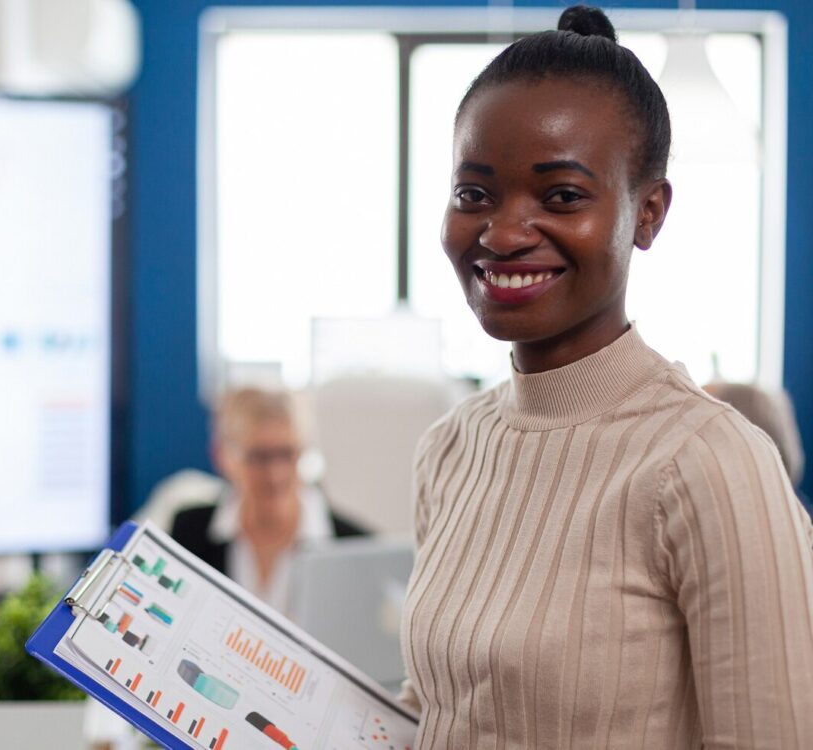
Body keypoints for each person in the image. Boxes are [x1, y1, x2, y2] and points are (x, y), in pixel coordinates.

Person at [399, 6, 813, 748]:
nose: (502, 232)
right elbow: (440, 713)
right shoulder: (452, 448)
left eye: (561, 196)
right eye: (474, 194)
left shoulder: (710, 463)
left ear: (647, 213)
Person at [170, 387, 364, 615]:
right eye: (259, 457)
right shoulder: (190, 534)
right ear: (221, 455)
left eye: (287, 454)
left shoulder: (354, 547)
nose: (275, 474)